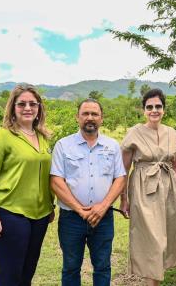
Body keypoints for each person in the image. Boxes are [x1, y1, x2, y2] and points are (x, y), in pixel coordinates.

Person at [50, 98, 125, 286]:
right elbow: (56, 181)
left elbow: (120, 178)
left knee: (102, 267)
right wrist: (79, 209)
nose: (89, 118)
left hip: (103, 217)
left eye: (94, 114)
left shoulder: (112, 146)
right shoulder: (63, 145)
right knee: (71, 267)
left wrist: (103, 206)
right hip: (71, 219)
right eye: (85, 114)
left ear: (101, 118)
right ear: (77, 117)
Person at [120, 88, 176, 286]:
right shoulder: (134, 133)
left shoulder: (171, 133)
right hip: (143, 189)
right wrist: (124, 199)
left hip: (169, 189)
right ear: (144, 110)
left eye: (158, 106)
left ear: (164, 109)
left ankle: (154, 281)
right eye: (149, 107)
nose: (154, 110)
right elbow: (123, 168)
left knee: (167, 236)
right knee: (153, 239)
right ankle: (152, 283)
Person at [0, 84, 54, 285]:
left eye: (32, 104)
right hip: (10, 213)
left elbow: (46, 175)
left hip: (40, 215)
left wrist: (50, 205)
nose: (28, 108)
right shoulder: (2, 136)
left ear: (39, 108)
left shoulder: (43, 136)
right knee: (11, 274)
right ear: (13, 108)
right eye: (22, 104)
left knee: (28, 272)